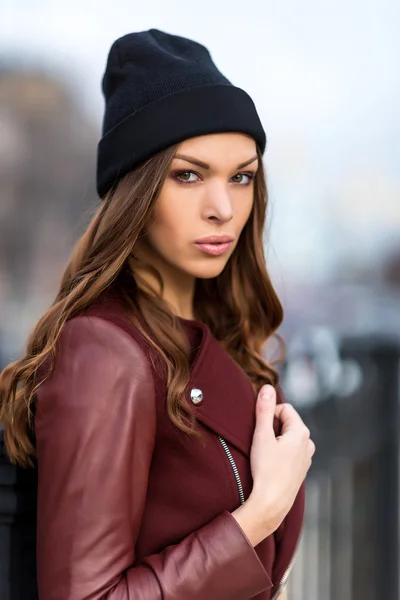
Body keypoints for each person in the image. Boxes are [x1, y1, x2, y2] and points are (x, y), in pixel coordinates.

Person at [0, 29, 315, 600]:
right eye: (188, 175)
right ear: (136, 191)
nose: (223, 208)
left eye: (241, 176)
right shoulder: (104, 350)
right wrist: (260, 514)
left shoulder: (217, 337)